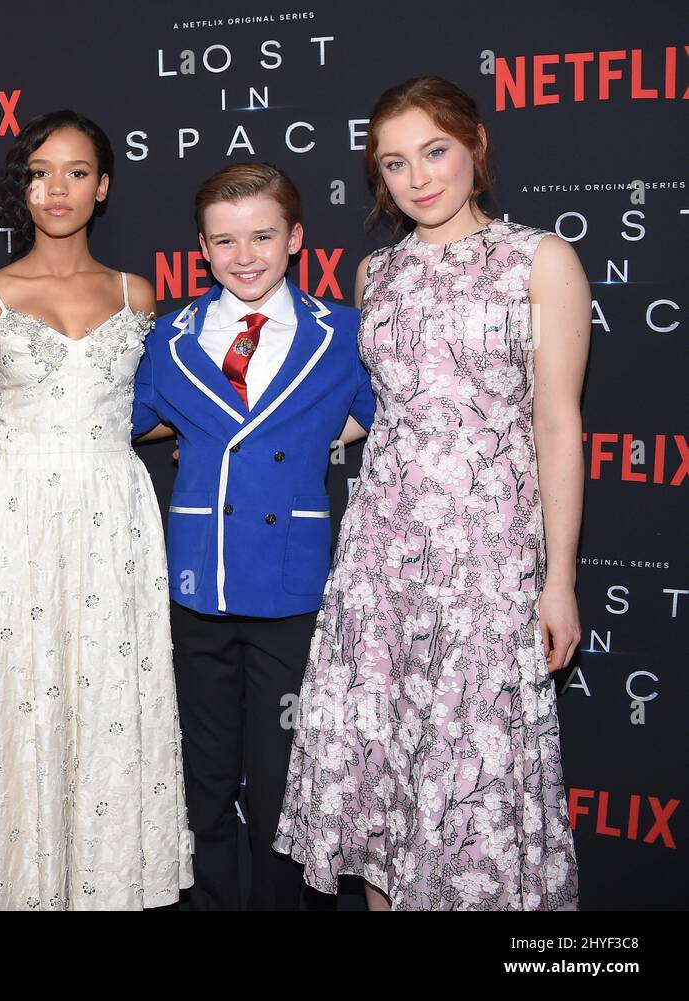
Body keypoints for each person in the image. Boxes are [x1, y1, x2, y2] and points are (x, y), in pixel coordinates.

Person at [274, 75, 587, 911]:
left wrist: (559, 579)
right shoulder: (377, 272)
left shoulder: (540, 259)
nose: (420, 178)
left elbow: (558, 424)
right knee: (385, 773)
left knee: (471, 773)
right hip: (382, 550)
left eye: (435, 151)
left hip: (487, 553)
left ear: (475, 144)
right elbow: (380, 414)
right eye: (396, 163)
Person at [0, 111, 192, 910]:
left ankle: (106, 883)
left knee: (110, 699)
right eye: (42, 171)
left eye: (77, 171)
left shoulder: (136, 293)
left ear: (103, 186)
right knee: (18, 693)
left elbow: (145, 407)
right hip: (18, 513)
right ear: (25, 185)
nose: (58, 188)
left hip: (113, 514)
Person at [130, 163, 376, 909]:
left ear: (295, 238)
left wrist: (312, 444)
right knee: (201, 775)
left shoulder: (342, 332)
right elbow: (118, 421)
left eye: (263, 236)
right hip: (197, 585)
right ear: (202, 249)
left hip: (292, 589)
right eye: (225, 241)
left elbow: (379, 413)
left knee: (282, 780)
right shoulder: (169, 336)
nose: (246, 255)